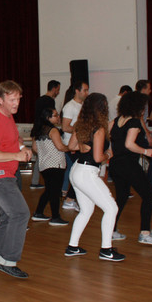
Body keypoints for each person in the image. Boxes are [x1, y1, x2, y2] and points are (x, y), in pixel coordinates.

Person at [0, 81, 32, 278]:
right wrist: (16, 156)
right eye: (12, 100)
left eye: (18, 99)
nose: (16, 103)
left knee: (8, 217)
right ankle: (8, 260)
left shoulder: (8, 116)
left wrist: (22, 148)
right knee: (20, 214)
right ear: (0, 100)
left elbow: (15, 139)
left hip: (6, 175)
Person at [64, 93, 123, 262]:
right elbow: (98, 158)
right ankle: (106, 250)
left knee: (86, 210)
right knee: (111, 208)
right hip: (87, 173)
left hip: (77, 170)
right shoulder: (99, 129)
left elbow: (71, 146)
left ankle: (72, 247)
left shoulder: (80, 125)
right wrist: (108, 154)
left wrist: (85, 147)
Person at [108, 92, 152, 245]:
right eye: (143, 106)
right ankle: (145, 233)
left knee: (122, 197)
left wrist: (110, 151)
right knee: (148, 195)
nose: (144, 110)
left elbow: (106, 135)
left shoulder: (116, 120)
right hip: (128, 164)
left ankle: (111, 230)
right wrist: (146, 151)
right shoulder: (134, 122)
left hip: (115, 165)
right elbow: (129, 144)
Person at [30, 107, 69, 226]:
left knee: (49, 190)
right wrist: (71, 148)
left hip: (44, 165)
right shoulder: (53, 130)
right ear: (48, 117)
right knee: (55, 192)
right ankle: (55, 217)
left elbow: (35, 148)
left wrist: (45, 153)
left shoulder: (38, 131)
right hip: (56, 164)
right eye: (55, 115)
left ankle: (38, 213)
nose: (58, 117)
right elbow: (60, 147)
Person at [61, 80, 89, 211]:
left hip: (79, 143)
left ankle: (71, 198)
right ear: (77, 91)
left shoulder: (82, 106)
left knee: (78, 173)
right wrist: (80, 131)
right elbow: (65, 127)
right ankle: (69, 199)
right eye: (85, 90)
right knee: (78, 173)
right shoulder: (70, 106)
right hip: (71, 145)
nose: (87, 93)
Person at [31, 80, 60, 190]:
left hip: (36, 130)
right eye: (58, 90)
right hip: (45, 132)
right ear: (54, 89)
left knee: (40, 156)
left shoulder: (39, 100)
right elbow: (48, 118)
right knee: (44, 155)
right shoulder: (50, 101)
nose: (58, 92)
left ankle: (35, 181)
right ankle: (43, 181)